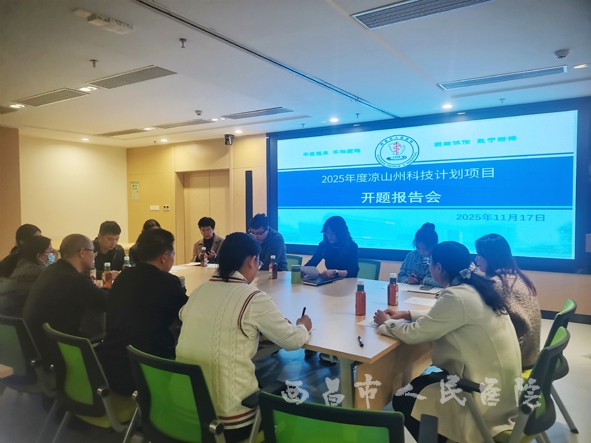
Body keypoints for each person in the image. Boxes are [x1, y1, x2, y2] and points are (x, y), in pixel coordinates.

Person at [373, 241, 521, 443]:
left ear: (439, 267)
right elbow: (446, 316)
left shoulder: (455, 296)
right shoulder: (476, 287)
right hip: (503, 388)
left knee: (403, 398)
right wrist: (407, 313)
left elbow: (414, 334)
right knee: (420, 384)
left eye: (431, 263)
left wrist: (386, 323)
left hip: (480, 393)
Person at [176, 232, 312, 442]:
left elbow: (183, 314)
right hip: (229, 423)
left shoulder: (199, 291)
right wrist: (303, 326)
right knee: (293, 395)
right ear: (252, 260)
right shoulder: (252, 298)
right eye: (258, 263)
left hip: (183, 414)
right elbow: (292, 341)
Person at [97, 228, 187, 395]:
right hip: (143, 371)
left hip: (111, 365)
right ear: (164, 257)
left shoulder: (124, 276)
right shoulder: (168, 282)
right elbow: (186, 314)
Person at [23, 235, 108, 368]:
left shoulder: (51, 271)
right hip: (58, 352)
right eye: (93, 252)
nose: (94, 256)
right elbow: (105, 303)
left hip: (38, 348)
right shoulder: (75, 279)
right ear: (82, 252)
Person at [476, 233, 541, 368]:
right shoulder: (515, 276)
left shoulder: (496, 284)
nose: (476, 259)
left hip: (517, 356)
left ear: (490, 258)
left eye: (479, 255)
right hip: (530, 352)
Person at [0, 236, 53, 317]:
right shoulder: (37, 272)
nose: (52, 254)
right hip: (20, 319)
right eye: (50, 251)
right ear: (39, 256)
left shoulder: (13, 265)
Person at [398, 223, 440, 287]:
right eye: (418, 248)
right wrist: (407, 280)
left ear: (434, 246)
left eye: (425, 249)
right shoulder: (411, 256)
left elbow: (446, 282)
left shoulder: (441, 258)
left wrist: (425, 281)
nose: (421, 251)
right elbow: (400, 277)